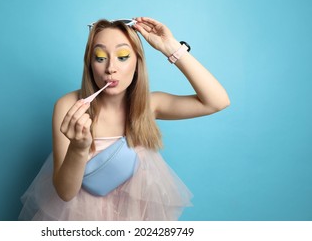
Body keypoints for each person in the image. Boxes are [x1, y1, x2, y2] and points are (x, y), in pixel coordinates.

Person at [18, 17, 230, 220]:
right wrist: (79, 148)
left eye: (123, 56)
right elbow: (65, 193)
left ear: (137, 62)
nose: (111, 68)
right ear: (90, 64)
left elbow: (217, 101)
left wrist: (171, 47)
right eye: (100, 58)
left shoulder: (150, 105)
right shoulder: (68, 106)